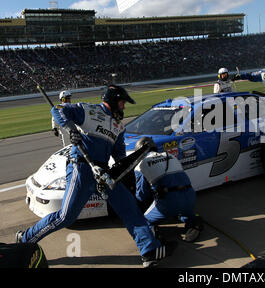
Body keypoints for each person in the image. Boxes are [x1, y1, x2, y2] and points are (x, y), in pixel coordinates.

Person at [16, 85, 176, 268]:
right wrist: (71, 130)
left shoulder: (119, 127)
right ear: (114, 100)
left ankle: (150, 251)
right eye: (123, 103)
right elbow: (58, 110)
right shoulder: (89, 110)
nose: (124, 107)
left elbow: (119, 156)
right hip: (81, 167)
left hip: (104, 174)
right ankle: (26, 239)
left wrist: (126, 172)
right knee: (67, 216)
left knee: (130, 208)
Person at [133, 137, 203, 243]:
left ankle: (155, 236)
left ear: (139, 151)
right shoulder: (170, 156)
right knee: (182, 212)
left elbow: (142, 195)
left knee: (142, 221)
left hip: (170, 202)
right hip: (190, 197)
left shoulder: (140, 165)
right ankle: (193, 222)